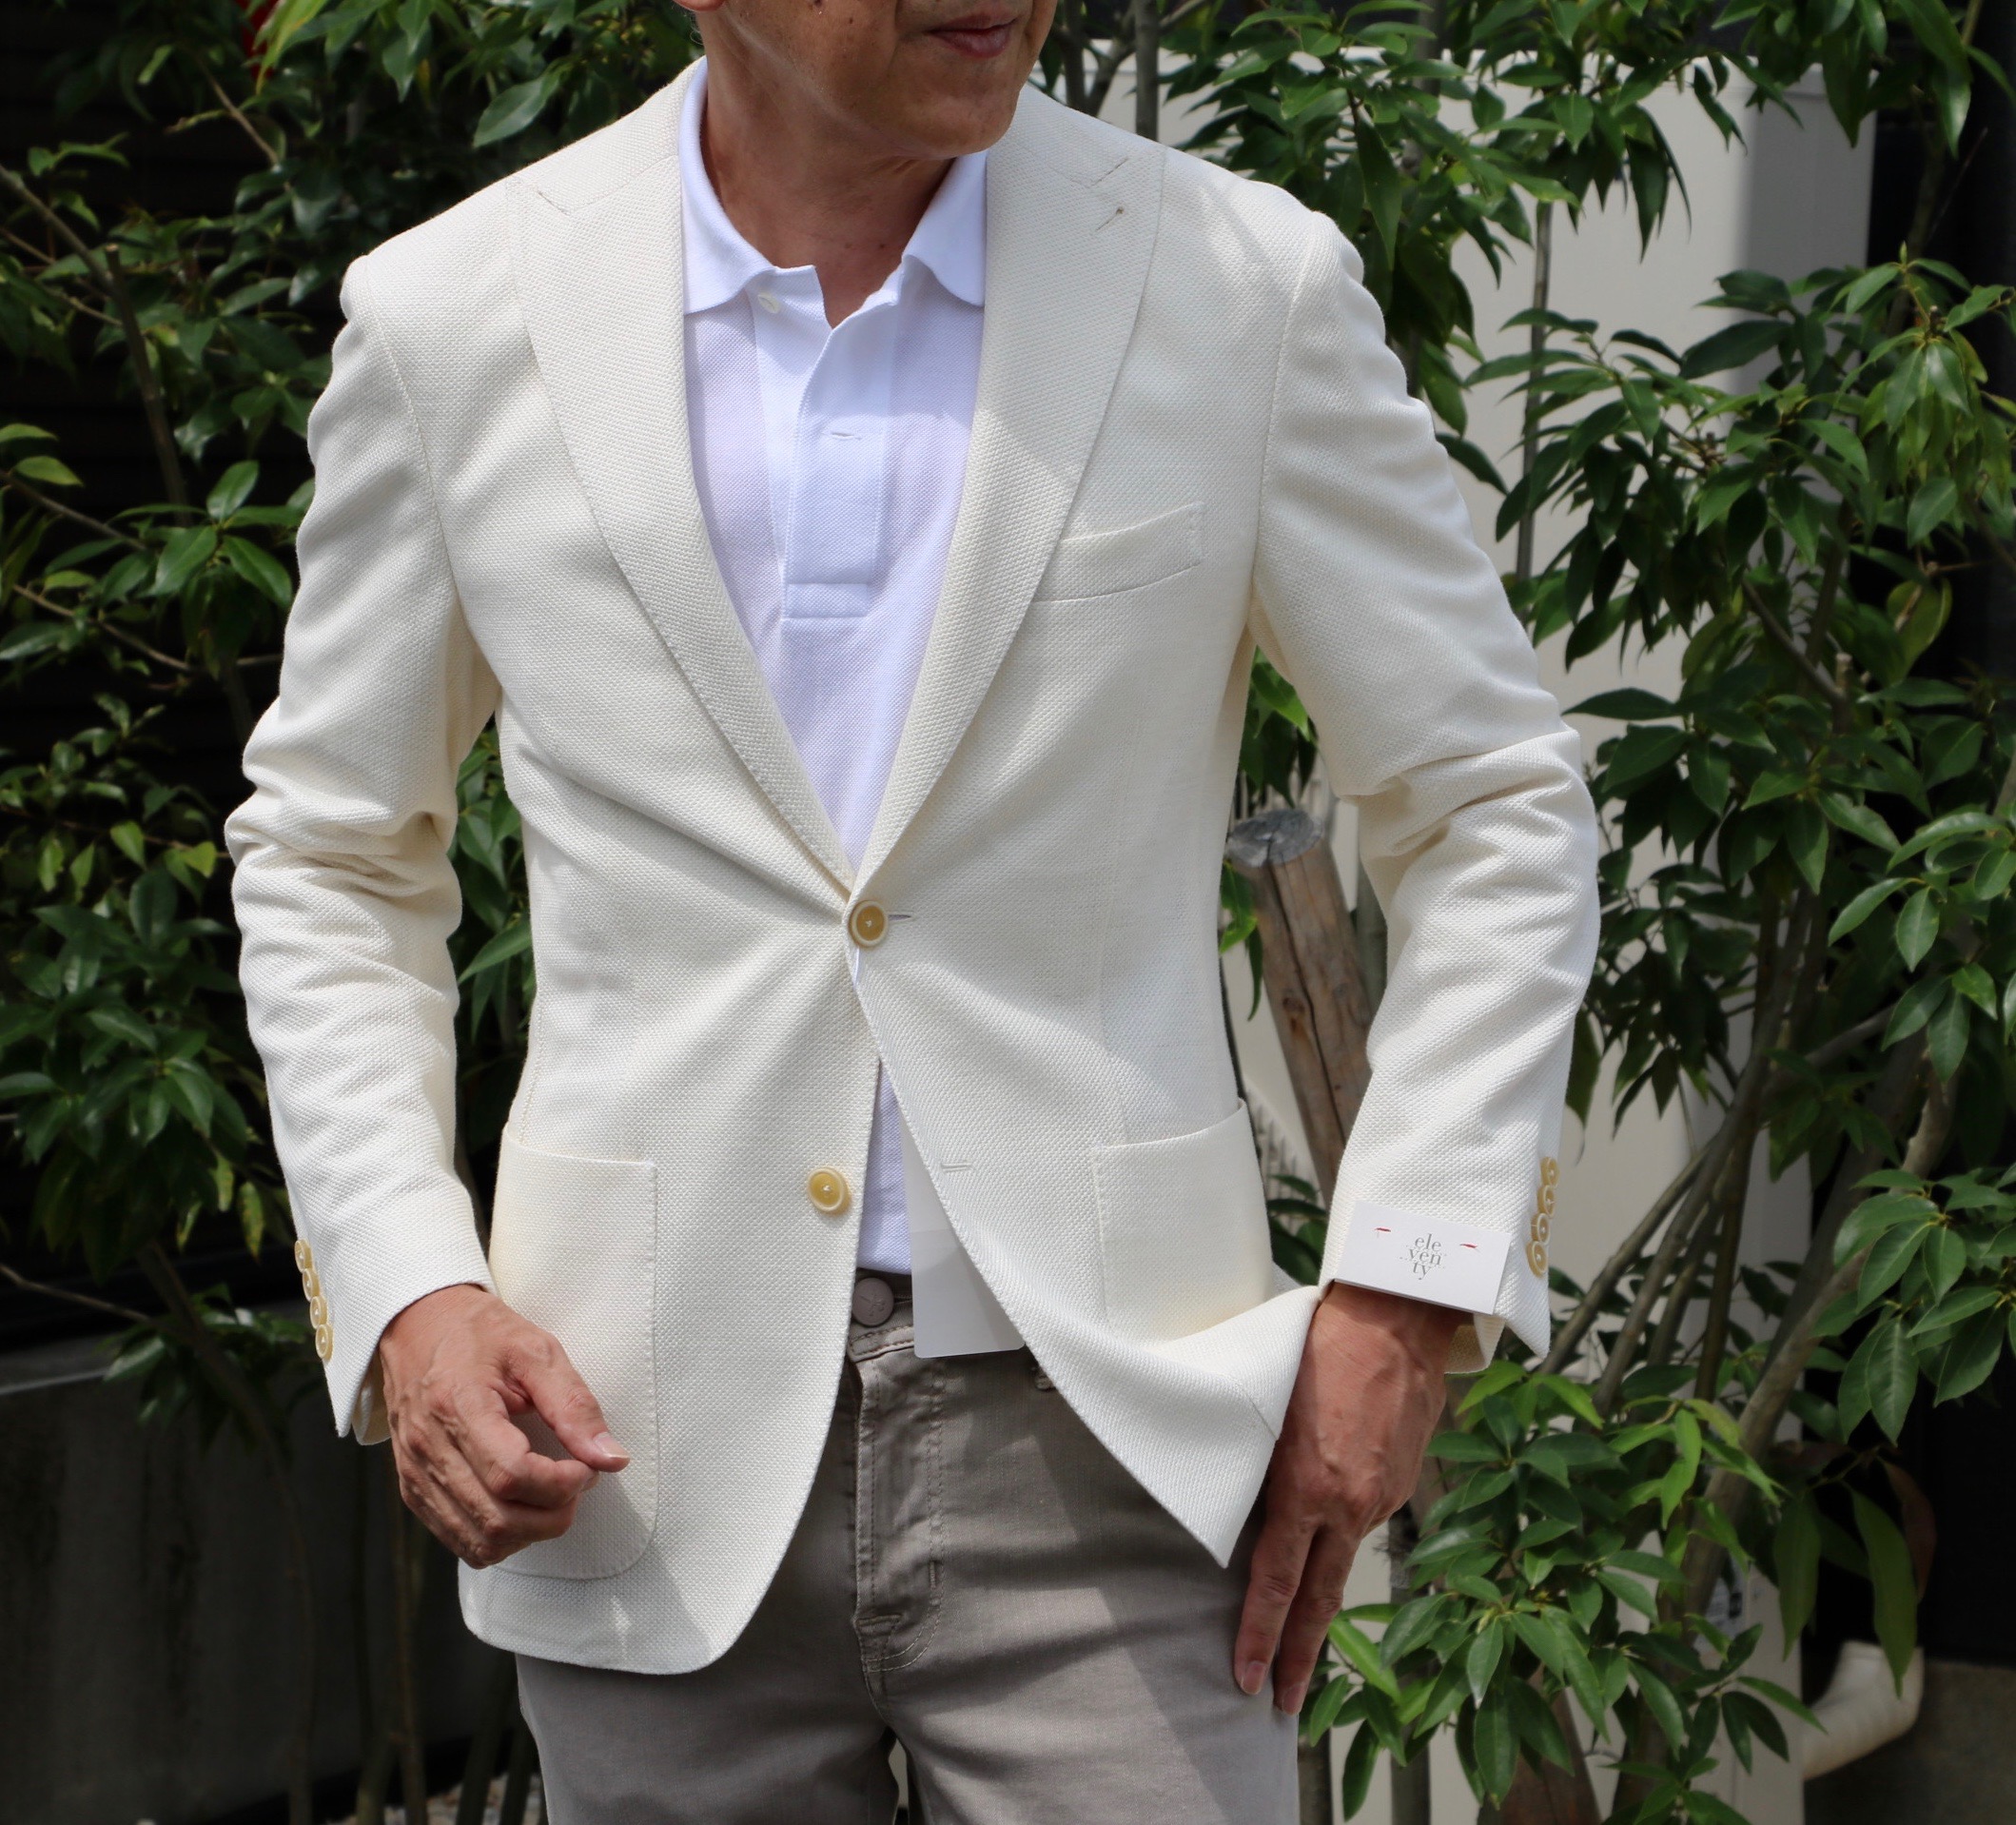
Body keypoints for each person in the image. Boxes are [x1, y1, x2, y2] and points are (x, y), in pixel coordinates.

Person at [225, 0, 1599, 1815]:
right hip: (634, 1447)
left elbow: (1492, 798)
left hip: (1120, 1438)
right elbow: (332, 849)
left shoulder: (1233, 285)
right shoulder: (456, 315)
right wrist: (409, 1289)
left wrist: (1407, 1293)